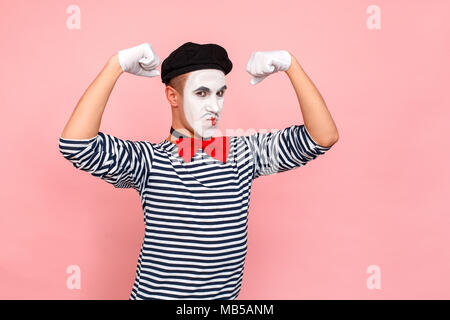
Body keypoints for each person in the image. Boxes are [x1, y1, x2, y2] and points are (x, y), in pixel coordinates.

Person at [59, 41, 339, 300]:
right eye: (201, 93)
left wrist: (291, 64)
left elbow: (322, 137)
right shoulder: (150, 161)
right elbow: (75, 145)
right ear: (173, 96)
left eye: (220, 93)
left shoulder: (243, 156)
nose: (214, 105)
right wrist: (115, 65)